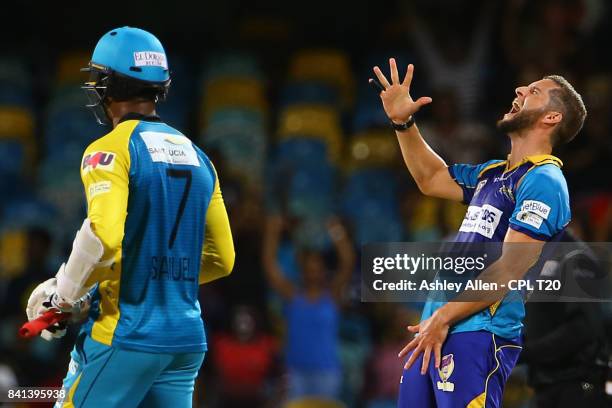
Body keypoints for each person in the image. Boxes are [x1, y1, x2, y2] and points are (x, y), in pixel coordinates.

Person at [24, 26, 234, 407]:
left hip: (127, 335)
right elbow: (223, 259)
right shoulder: (200, 157)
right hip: (185, 343)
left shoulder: (109, 149)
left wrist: (65, 296)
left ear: (109, 86)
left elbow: (101, 236)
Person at [370, 58, 586, 407]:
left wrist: (444, 316)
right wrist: (403, 123)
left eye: (534, 91)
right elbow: (431, 179)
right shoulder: (494, 173)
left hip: (478, 331)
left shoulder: (544, 181)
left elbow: (509, 269)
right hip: (435, 329)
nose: (519, 90)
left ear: (552, 117)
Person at [262, 215, 354, 401]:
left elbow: (348, 263)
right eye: (309, 268)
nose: (313, 272)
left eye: (316, 268)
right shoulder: (292, 294)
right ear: (302, 270)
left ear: (323, 271)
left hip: (327, 373)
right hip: (295, 372)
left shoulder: (332, 295)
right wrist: (272, 232)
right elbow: (270, 265)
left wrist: (337, 232)